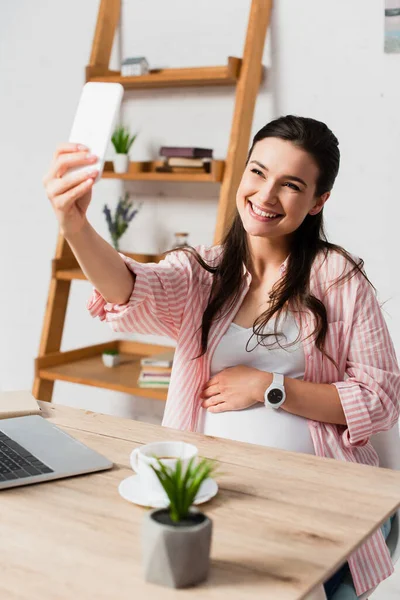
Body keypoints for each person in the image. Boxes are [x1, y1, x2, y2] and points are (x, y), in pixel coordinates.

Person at [44, 115, 400, 599]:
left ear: (319, 201)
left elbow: (380, 398)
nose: (266, 196)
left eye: (290, 185)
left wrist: (268, 387)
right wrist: (75, 224)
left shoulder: (337, 278)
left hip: (316, 502)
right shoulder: (203, 273)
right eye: (257, 172)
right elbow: (130, 288)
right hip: (218, 496)